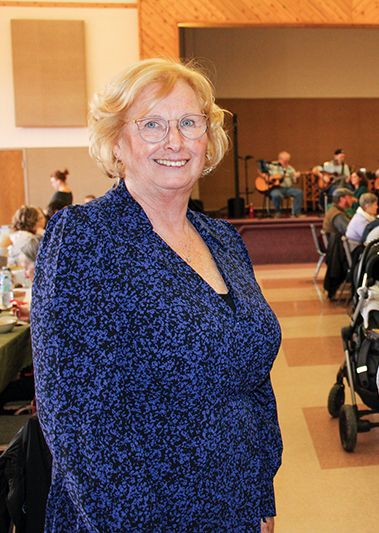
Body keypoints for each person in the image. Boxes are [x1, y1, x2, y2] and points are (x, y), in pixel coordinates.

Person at [30, 58, 282, 532]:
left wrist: (260, 495)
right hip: (134, 513)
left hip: (233, 506)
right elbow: (74, 422)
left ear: (208, 139)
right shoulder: (84, 240)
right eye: (152, 124)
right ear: (117, 141)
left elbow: (252, 382)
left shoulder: (225, 241)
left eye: (189, 122)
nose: (175, 141)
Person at [265, 151, 304, 218]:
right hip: (275, 188)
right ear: (279, 159)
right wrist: (267, 177)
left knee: (299, 192)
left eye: (288, 161)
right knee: (275, 194)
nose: (286, 163)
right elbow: (261, 171)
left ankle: (296, 212)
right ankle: (278, 212)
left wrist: (297, 178)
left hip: (288, 188)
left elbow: (295, 182)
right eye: (285, 161)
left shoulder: (290, 168)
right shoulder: (271, 165)